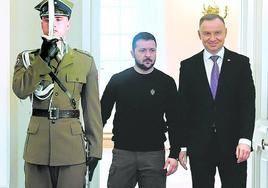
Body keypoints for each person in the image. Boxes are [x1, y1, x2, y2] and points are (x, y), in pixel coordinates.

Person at [12, 0, 103, 187]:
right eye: (46, 19)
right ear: (41, 23)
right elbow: (20, 91)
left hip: (72, 150)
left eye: (58, 19)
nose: (52, 24)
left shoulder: (84, 61)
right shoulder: (28, 59)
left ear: (68, 24)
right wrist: (42, 59)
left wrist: (95, 149)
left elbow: (92, 110)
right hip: (37, 149)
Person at [177, 14, 255, 188]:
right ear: (199, 35)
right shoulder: (188, 66)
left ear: (225, 32)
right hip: (200, 147)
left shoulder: (241, 63)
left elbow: (247, 104)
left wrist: (245, 139)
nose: (212, 38)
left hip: (234, 146)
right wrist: (181, 146)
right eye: (207, 34)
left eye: (217, 33)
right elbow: (183, 109)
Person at [101, 32, 180, 188]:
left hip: (154, 154)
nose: (148, 55)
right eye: (142, 50)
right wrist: (92, 147)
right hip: (123, 153)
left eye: (152, 50)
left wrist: (174, 153)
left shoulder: (166, 82)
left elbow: (175, 120)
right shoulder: (118, 80)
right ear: (132, 53)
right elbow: (101, 115)